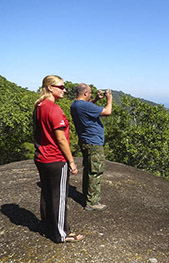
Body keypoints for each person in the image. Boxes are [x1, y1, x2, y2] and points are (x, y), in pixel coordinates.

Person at [33, 75, 84, 243]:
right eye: (60, 87)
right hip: (55, 159)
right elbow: (61, 139)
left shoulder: (39, 105)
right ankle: (61, 234)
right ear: (49, 88)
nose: (64, 90)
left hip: (41, 157)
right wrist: (71, 162)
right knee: (59, 197)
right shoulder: (54, 109)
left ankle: (47, 227)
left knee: (47, 194)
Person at [70, 83, 112, 211]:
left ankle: (87, 197)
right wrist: (109, 99)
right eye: (89, 93)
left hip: (85, 141)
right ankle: (92, 202)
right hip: (93, 143)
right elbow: (107, 112)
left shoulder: (75, 105)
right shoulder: (84, 105)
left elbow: (88, 107)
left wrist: (96, 99)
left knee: (89, 169)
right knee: (95, 171)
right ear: (85, 93)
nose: (90, 95)